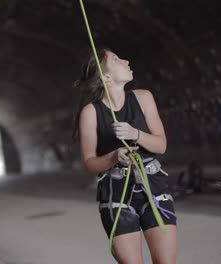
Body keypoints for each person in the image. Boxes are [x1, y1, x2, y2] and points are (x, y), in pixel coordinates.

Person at [72, 48, 178, 263]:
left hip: (154, 190)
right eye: (116, 59)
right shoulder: (91, 113)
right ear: (106, 77)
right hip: (115, 195)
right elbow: (89, 163)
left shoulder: (143, 97)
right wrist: (113, 157)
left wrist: (134, 134)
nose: (126, 60)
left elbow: (161, 145)